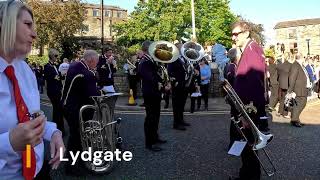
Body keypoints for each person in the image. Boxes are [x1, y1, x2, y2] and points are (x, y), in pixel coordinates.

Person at [0, 1, 64, 179]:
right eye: (27, 24)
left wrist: (53, 132)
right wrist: (9, 143)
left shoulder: (25, 70)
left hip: (37, 170)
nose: (35, 34)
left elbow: (32, 115)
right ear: (4, 24)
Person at [229, 21, 267, 180]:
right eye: (232, 34)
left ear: (246, 33)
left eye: (236, 34)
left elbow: (252, 85)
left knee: (249, 147)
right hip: (247, 107)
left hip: (248, 109)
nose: (233, 37)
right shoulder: (250, 49)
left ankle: (249, 177)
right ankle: (248, 175)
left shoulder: (251, 51)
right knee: (248, 146)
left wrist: (246, 114)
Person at [61, 50, 102, 175]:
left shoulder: (76, 65)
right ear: (91, 61)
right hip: (73, 109)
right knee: (77, 137)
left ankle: (75, 162)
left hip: (68, 106)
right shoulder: (86, 73)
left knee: (76, 136)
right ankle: (72, 167)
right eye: (96, 62)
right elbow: (93, 94)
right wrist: (101, 93)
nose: (97, 64)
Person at [138, 41, 166, 152]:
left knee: (156, 117)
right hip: (150, 93)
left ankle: (155, 138)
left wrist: (163, 83)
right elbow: (149, 77)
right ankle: (149, 143)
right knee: (150, 118)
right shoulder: (144, 61)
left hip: (155, 92)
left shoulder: (150, 60)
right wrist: (159, 83)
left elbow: (156, 74)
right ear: (148, 49)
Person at [168, 42, 190, 131]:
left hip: (183, 84)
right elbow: (169, 72)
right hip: (177, 86)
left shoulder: (183, 58)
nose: (183, 50)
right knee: (176, 105)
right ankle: (176, 123)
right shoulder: (172, 59)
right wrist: (175, 82)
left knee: (182, 104)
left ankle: (181, 120)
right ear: (177, 49)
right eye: (181, 48)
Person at [44, 48, 65, 134]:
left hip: (58, 89)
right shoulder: (47, 66)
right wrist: (55, 78)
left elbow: (58, 77)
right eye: (56, 56)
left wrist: (62, 76)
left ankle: (57, 128)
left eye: (57, 56)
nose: (57, 57)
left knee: (58, 109)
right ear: (51, 56)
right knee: (58, 109)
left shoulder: (55, 66)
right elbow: (48, 78)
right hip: (53, 90)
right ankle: (58, 128)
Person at [287, 53, 310, 127]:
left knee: (301, 104)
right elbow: (292, 78)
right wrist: (291, 91)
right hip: (298, 89)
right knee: (300, 104)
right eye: (303, 57)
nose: (304, 59)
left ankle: (295, 119)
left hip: (302, 88)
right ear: (300, 58)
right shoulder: (295, 65)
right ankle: (294, 120)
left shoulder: (299, 65)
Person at [277, 52, 292, 118]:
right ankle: (285, 113)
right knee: (287, 98)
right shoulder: (290, 65)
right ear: (288, 57)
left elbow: (278, 74)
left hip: (281, 83)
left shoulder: (280, 65)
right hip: (287, 83)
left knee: (283, 98)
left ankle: (280, 111)